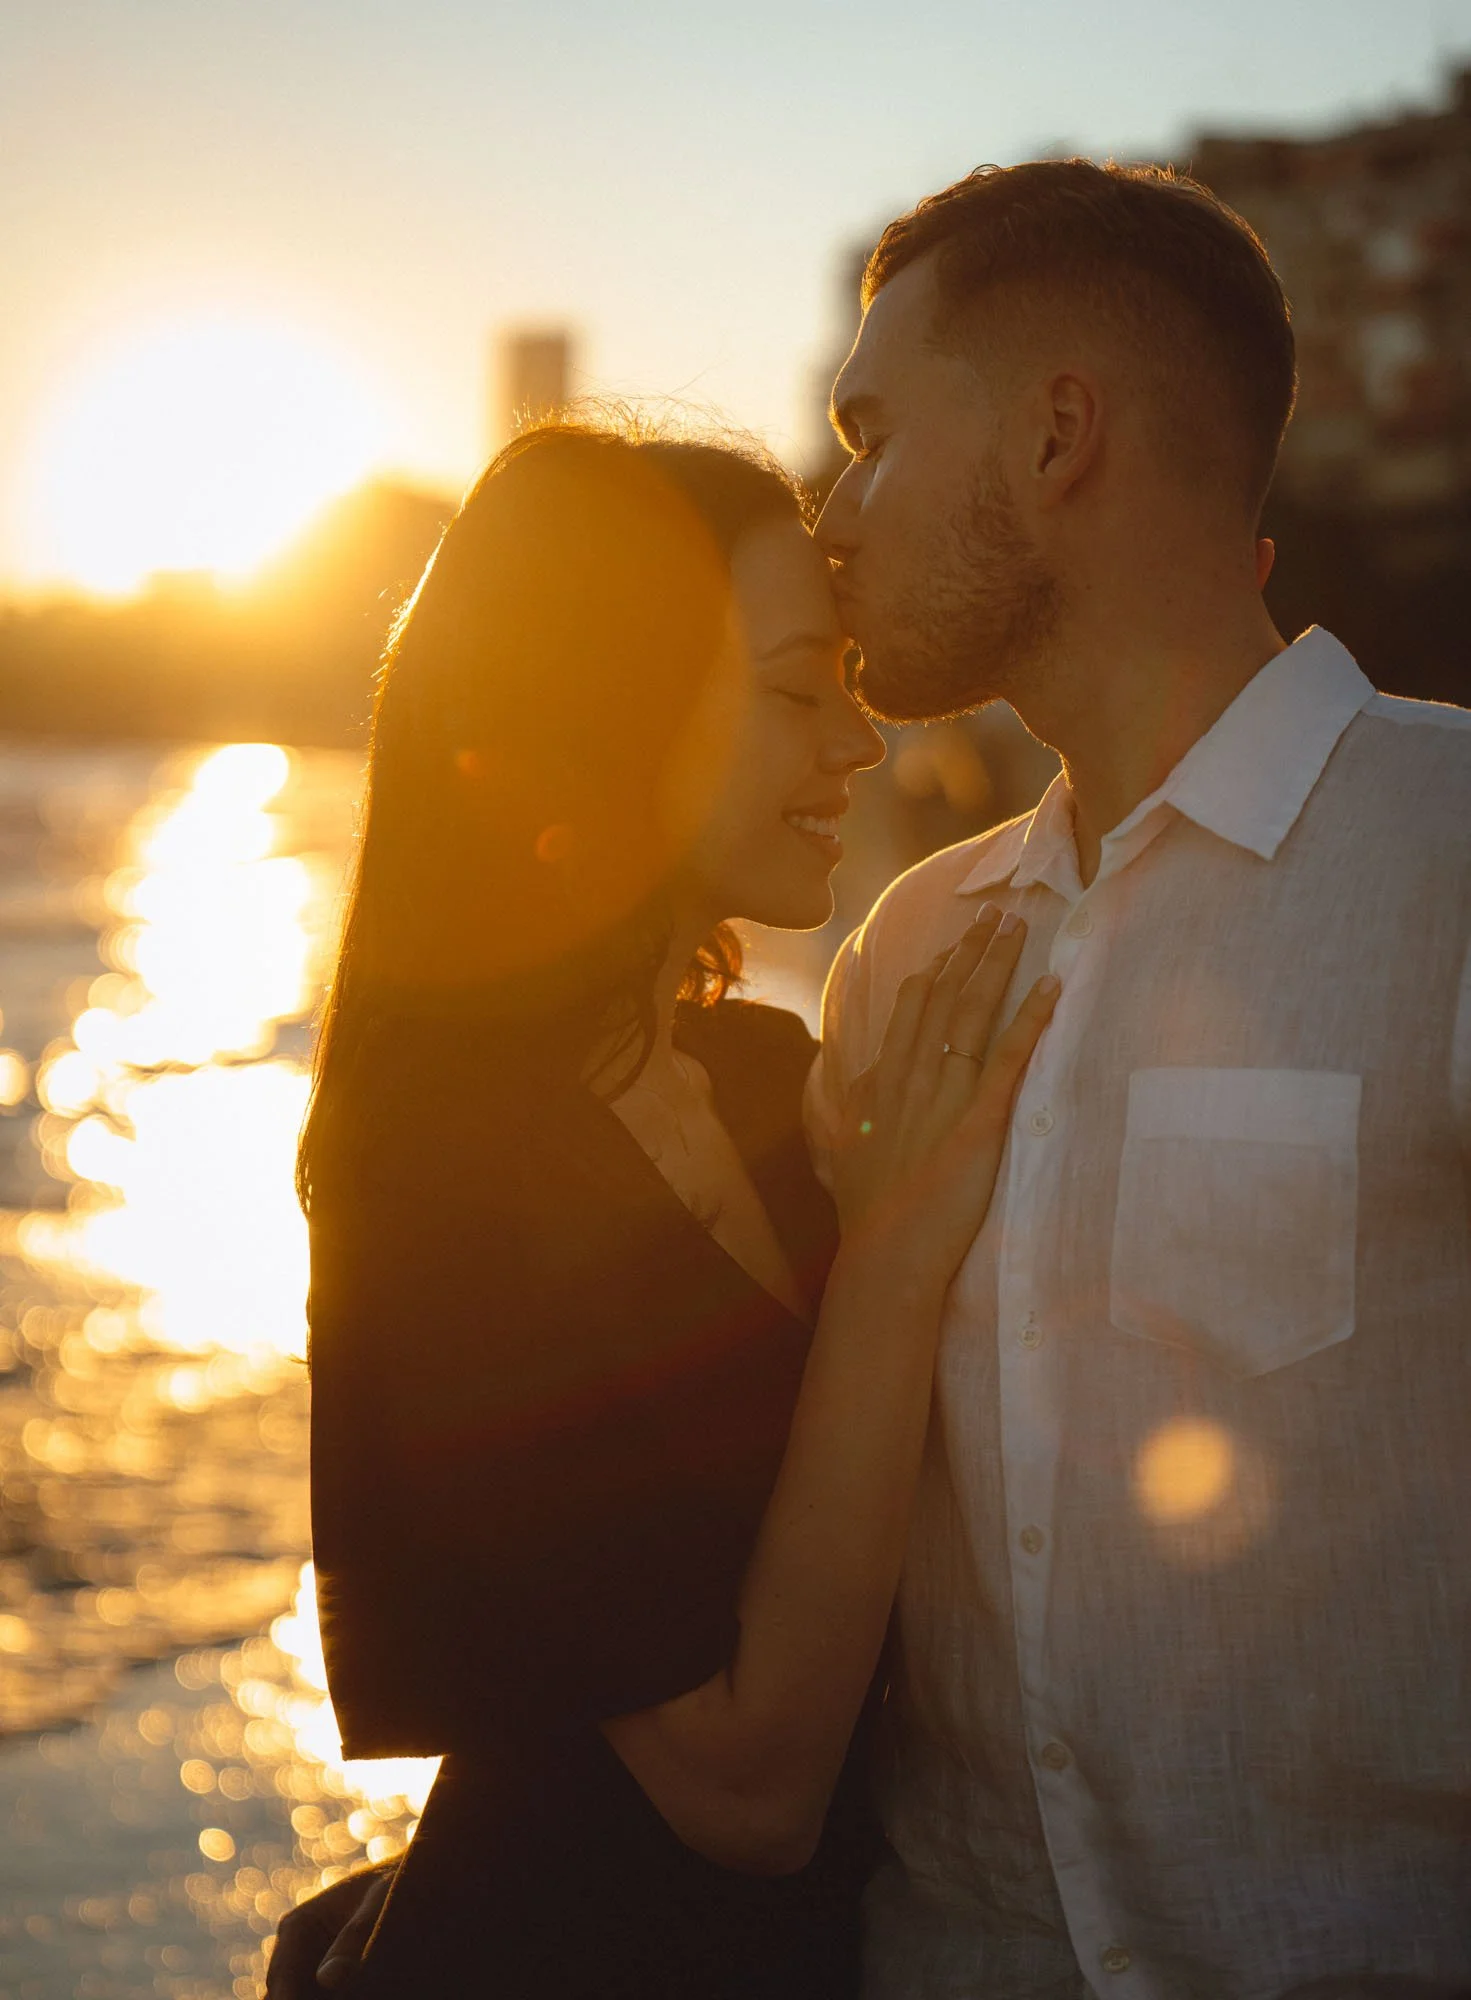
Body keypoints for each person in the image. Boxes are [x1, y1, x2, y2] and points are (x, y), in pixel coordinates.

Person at [269, 420, 1060, 1996]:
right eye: (790, 691)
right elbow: (744, 1786)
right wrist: (893, 1259)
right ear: (599, 712)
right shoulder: (449, 1166)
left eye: (845, 682)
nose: (858, 746)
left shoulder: (770, 1079)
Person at [807, 159, 1471, 1997]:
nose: (833, 511)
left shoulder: (1453, 857)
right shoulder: (907, 956)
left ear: (1056, 435)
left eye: (870, 433)